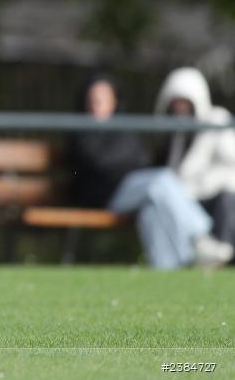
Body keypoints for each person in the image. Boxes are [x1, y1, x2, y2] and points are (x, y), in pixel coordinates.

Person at [67, 74, 232, 269]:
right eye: (93, 98)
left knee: (150, 211)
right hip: (107, 196)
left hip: (131, 190)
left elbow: (139, 159)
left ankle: (172, 269)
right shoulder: (80, 129)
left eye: (103, 97)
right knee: (161, 180)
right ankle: (201, 237)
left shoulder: (122, 127)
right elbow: (104, 164)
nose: (97, 103)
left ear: (114, 100)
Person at [155, 67, 235, 255]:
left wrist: (198, 184)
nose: (180, 108)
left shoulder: (216, 119)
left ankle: (219, 249)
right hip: (191, 197)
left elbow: (229, 159)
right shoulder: (176, 134)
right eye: (176, 103)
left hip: (216, 197)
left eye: (185, 102)